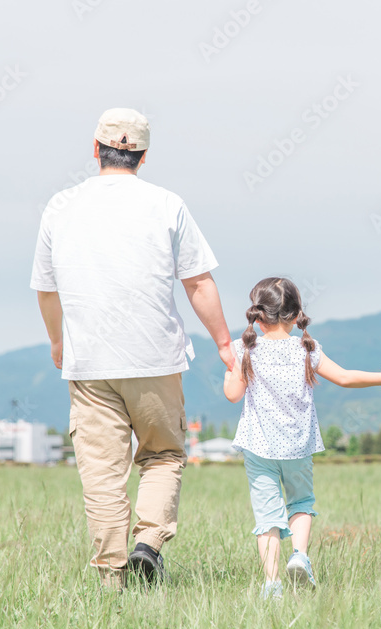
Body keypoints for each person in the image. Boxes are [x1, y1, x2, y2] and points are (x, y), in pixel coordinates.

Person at [30, 108, 235, 591]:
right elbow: (198, 282)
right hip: (154, 358)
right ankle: (149, 544)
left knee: (102, 475)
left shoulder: (60, 206)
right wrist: (225, 344)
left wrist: (58, 342)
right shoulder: (167, 204)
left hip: (89, 362)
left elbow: (45, 288)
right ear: (142, 157)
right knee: (162, 455)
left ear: (95, 149)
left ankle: (110, 580)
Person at [223, 277, 381, 599]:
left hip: (259, 448)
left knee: (267, 518)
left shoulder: (244, 348)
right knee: (301, 502)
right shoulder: (307, 348)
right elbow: (344, 377)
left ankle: (272, 586)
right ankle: (299, 556)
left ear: (257, 316)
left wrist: (228, 373)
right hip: (298, 447)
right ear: (295, 313)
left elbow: (233, 395)